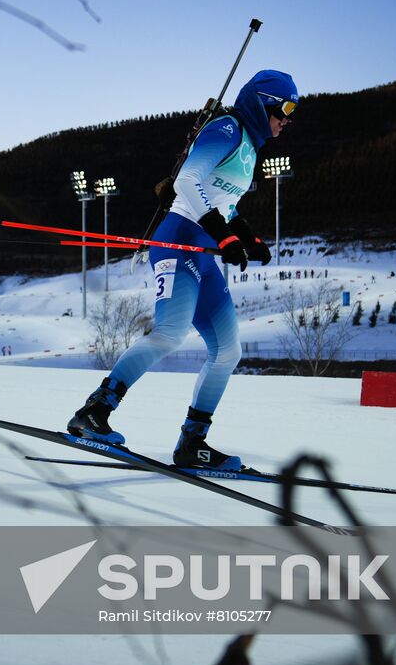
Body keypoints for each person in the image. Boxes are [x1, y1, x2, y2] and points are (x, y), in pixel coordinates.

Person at [67, 70, 299, 471]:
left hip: (203, 253)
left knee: (228, 350)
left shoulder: (249, 146)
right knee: (170, 334)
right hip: (178, 241)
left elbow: (226, 201)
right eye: (285, 109)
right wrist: (221, 234)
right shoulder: (227, 127)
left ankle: (193, 443)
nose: (287, 119)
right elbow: (188, 182)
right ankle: (93, 414)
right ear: (263, 103)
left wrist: (245, 236)